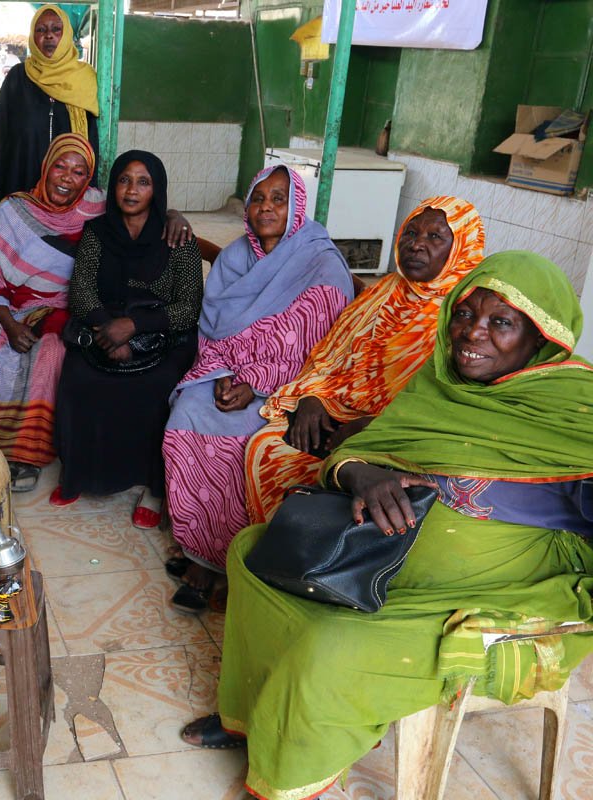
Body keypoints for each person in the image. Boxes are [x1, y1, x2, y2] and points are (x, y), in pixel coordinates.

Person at [181, 251, 593, 800]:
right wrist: (363, 475)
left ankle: (290, 767)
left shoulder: (574, 409)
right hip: (387, 557)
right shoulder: (440, 386)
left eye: (502, 322)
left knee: (330, 646)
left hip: (492, 592)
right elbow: (362, 449)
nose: (473, 332)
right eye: (466, 314)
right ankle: (251, 715)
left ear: (541, 336)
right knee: (252, 552)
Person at [162, 164, 354, 612]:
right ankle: (201, 548)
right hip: (225, 373)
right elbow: (212, 331)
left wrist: (258, 384)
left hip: (290, 390)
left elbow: (316, 347)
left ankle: (220, 564)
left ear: (297, 207)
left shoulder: (320, 262)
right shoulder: (236, 256)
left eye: (279, 198)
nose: (266, 207)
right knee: (187, 412)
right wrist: (225, 373)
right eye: (259, 198)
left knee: (242, 438)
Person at [244, 196, 485, 525]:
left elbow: (443, 408)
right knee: (268, 445)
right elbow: (330, 355)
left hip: (395, 437)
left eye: (435, 237)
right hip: (338, 411)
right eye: (411, 233)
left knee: (315, 473)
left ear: (463, 247)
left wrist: (370, 427)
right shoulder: (385, 291)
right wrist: (311, 397)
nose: (416, 245)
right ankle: (270, 552)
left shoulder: (464, 319)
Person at [52, 151, 204, 527]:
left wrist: (134, 326)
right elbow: (81, 291)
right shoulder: (97, 232)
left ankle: (153, 486)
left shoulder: (177, 238)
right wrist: (109, 328)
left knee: (159, 385)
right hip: (103, 328)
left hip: (161, 334)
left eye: (143, 182)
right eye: (124, 180)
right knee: (77, 376)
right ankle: (78, 474)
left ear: (157, 190)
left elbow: (189, 306)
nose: (131, 190)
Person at [0, 133, 103, 491]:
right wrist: (8, 325)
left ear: (87, 179)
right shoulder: (13, 211)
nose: (67, 178)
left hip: (59, 308)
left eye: (78, 171)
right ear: (46, 167)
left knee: (50, 355)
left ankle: (26, 455)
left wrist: (174, 214)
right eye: (60, 166)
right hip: (2, 307)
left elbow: (142, 208)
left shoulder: (97, 207)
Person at [0, 4, 99, 201]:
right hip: (19, 189)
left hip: (67, 196)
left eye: (56, 29)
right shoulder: (18, 77)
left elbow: (91, 146)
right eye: (41, 30)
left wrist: (91, 195)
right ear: (33, 37)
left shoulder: (84, 79)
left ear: (66, 34)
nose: (48, 36)